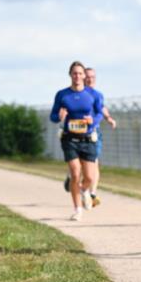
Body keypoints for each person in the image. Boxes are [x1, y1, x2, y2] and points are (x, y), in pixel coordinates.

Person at [50, 61, 102, 221]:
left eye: (80, 73)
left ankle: (84, 190)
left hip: (88, 139)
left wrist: (91, 120)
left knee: (90, 178)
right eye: (74, 73)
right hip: (69, 138)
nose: (77, 76)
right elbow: (52, 116)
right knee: (74, 172)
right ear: (70, 75)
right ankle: (77, 209)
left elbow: (99, 114)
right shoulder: (62, 95)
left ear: (84, 76)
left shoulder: (94, 95)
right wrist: (59, 117)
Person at [64, 67, 117, 207]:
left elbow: (102, 108)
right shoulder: (78, 94)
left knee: (94, 163)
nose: (90, 79)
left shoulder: (96, 95)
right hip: (77, 133)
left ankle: (91, 193)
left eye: (93, 77)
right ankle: (73, 177)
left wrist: (109, 118)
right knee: (80, 164)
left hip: (94, 133)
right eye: (87, 76)